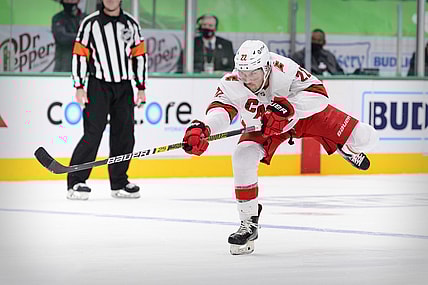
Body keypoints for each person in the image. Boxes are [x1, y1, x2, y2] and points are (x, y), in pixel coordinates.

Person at [182, 40, 378, 255]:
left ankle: (345, 146)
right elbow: (221, 110)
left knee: (367, 137)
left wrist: (291, 108)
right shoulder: (231, 81)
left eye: (253, 73)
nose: (247, 80)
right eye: (242, 73)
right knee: (242, 156)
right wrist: (205, 128)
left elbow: (319, 93)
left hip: (306, 116)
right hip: (265, 126)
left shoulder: (284, 69)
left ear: (266, 67)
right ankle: (248, 222)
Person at [67, 0, 148, 200]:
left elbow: (139, 55)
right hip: (98, 86)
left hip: (124, 87)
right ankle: (76, 181)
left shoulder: (131, 24)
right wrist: (79, 86)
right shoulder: (90, 23)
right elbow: (79, 54)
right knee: (92, 133)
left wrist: (141, 86)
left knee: (125, 135)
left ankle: (119, 183)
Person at [52, 0, 86, 72]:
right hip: (63, 67)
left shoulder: (86, 18)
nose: (70, 1)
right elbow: (62, 38)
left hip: (83, 66)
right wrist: (82, 36)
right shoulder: (57, 18)